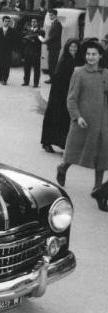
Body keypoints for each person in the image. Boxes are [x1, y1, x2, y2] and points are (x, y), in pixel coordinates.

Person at [56, 42, 108, 211]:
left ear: (100, 56)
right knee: (75, 153)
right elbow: (71, 98)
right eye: (88, 54)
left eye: (94, 54)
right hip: (83, 122)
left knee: (101, 157)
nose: (90, 57)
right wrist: (77, 117)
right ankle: (63, 167)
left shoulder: (106, 74)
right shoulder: (79, 72)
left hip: (102, 123)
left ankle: (98, 191)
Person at [41, 39, 80, 153]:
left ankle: (63, 143)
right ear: (67, 48)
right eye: (71, 47)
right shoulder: (64, 61)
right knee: (54, 118)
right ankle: (46, 142)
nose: (73, 49)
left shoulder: (77, 60)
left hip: (69, 95)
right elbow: (59, 79)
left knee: (64, 121)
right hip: (59, 95)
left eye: (75, 47)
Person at [0, 15, 18, 85]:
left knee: (6, 65)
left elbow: (14, 41)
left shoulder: (12, 31)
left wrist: (13, 50)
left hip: (8, 51)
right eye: (5, 21)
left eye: (8, 21)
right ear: (2, 21)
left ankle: (4, 79)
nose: (7, 23)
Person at [22, 19, 45, 87]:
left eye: (35, 22)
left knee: (36, 69)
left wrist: (32, 39)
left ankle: (36, 83)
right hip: (27, 52)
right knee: (26, 68)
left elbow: (41, 40)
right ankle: (26, 82)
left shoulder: (41, 31)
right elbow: (24, 40)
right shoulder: (28, 30)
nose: (33, 23)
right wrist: (30, 39)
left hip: (36, 52)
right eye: (32, 22)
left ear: (37, 23)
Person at [43, 9, 62, 83]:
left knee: (52, 64)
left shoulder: (57, 23)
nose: (50, 16)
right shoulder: (54, 23)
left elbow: (55, 36)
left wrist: (46, 41)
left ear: (55, 15)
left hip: (55, 47)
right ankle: (52, 78)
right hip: (52, 47)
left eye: (51, 15)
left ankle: (53, 79)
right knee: (51, 63)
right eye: (49, 15)